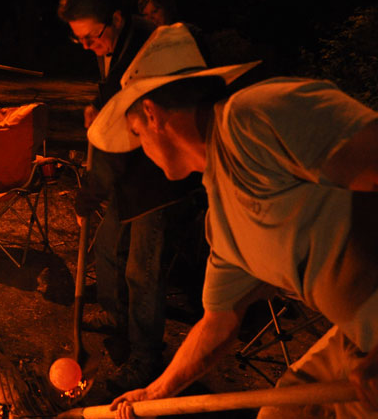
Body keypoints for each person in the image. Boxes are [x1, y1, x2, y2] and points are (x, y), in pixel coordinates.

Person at [88, 23, 378, 418]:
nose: (143, 151)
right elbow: (218, 325)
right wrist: (153, 393)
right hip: (356, 340)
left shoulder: (254, 117)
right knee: (281, 413)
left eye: (137, 134)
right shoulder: (222, 223)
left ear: (152, 114)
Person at [58, 0, 207, 392]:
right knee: (108, 250)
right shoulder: (114, 44)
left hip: (159, 179)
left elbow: (123, 138)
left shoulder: (146, 51)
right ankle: (118, 319)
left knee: (143, 272)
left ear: (118, 19)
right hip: (130, 178)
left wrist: (92, 191)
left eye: (91, 37)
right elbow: (113, 100)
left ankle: (145, 357)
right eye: (79, 40)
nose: (87, 46)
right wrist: (98, 105)